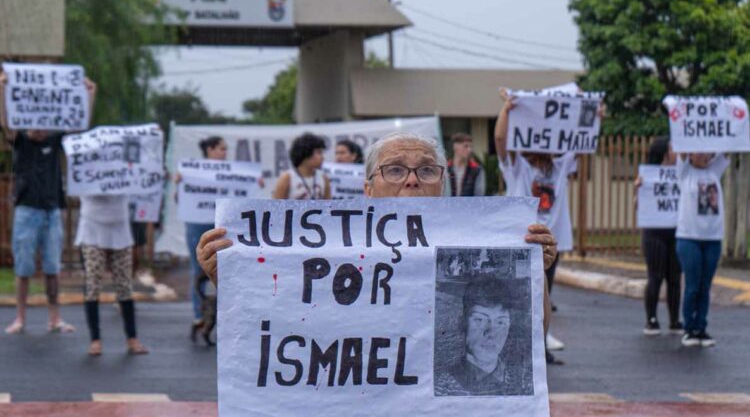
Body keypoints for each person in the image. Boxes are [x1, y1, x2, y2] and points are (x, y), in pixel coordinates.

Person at [195, 132, 557, 336]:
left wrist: (534, 272)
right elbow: (283, 321)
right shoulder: (332, 252)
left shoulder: (479, 245)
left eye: (427, 170)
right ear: (368, 188)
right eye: (395, 170)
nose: (413, 180)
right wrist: (229, 280)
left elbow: (531, 332)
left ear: (442, 183)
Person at [0, 68, 96, 335]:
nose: (40, 126)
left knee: (53, 268)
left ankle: (54, 318)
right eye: (34, 121)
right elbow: (6, 122)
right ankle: (20, 318)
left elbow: (79, 124)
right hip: (26, 210)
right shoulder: (20, 141)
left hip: (52, 211)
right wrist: (2, 90)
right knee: (23, 268)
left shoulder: (55, 141)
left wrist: (89, 93)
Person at [494, 92, 579, 359]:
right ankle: (520, 346)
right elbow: (499, 139)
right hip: (523, 240)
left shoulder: (561, 165)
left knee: (545, 294)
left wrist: (588, 116)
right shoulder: (517, 165)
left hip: (551, 241)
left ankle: (539, 345)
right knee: (517, 295)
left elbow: (580, 139)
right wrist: (507, 110)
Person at [76, 193, 148, 356]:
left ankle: (132, 338)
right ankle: (95, 340)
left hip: (119, 227)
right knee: (93, 284)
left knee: (124, 284)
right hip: (92, 227)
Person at [675, 152, 729, 347]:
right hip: (689, 238)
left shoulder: (715, 170)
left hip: (712, 238)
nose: (705, 155)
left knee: (705, 286)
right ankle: (689, 328)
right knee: (692, 285)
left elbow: (729, 147)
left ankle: (701, 327)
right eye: (701, 152)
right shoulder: (685, 171)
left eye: (708, 152)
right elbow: (680, 147)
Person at [435, 278, 522, 396]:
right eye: (479, 320)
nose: (491, 333)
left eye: (500, 322)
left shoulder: (523, 382)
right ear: (462, 323)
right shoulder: (440, 387)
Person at [176, 136, 227, 329]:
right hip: (197, 224)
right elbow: (178, 198)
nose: (225, 153)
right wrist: (179, 184)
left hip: (219, 225)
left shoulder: (232, 173)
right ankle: (199, 314)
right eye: (222, 149)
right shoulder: (192, 171)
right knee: (199, 269)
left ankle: (220, 313)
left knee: (223, 269)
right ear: (210, 150)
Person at [634, 137, 682, 336]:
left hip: (676, 231)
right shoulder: (647, 176)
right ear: (664, 152)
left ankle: (674, 319)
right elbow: (638, 204)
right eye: (672, 148)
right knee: (655, 276)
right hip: (654, 232)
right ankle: (651, 319)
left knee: (675, 278)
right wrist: (638, 189)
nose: (676, 152)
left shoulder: (681, 173)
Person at [273, 133, 331, 200]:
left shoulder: (324, 178)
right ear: (306, 154)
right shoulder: (287, 178)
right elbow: (276, 207)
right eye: (319, 152)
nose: (322, 157)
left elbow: (329, 207)